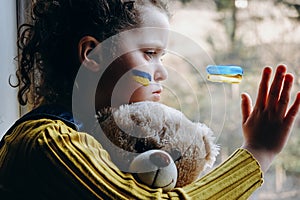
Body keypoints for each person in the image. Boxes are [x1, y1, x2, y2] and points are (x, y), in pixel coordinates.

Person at [0, 0, 299, 199]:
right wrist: (258, 152)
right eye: (150, 53)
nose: (163, 73)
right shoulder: (48, 141)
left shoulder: (100, 143)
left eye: (162, 56)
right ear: (93, 53)